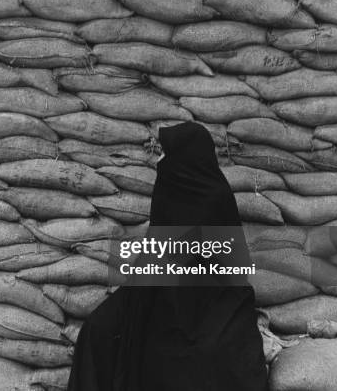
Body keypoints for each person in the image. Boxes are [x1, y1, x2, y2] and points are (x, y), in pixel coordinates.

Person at [67, 122, 268, 391]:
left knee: (198, 354)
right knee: (98, 329)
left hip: (208, 302)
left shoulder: (214, 198)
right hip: (157, 291)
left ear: (185, 155)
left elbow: (228, 267)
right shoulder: (171, 187)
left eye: (165, 152)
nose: (160, 160)